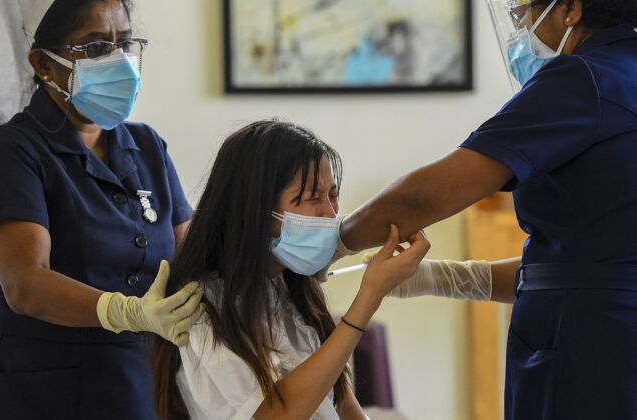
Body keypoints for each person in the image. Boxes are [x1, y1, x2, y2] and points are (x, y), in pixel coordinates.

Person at [336, 0, 637, 419]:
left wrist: (334, 241)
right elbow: (590, 262)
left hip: (592, 351)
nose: (523, 30)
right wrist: (448, 278)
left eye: (526, 13)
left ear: (570, 9)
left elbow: (423, 197)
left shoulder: (582, 79)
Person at [0, 1, 203, 419]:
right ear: (43, 63)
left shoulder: (146, 147)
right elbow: (25, 284)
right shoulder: (11, 151)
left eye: (124, 44)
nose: (117, 60)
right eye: (94, 48)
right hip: (39, 386)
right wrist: (123, 311)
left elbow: (196, 255)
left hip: (136, 377)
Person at [152, 120, 430, 420]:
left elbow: (342, 403)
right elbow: (276, 414)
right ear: (254, 207)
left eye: (333, 195)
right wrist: (369, 296)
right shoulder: (203, 307)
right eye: (311, 198)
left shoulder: (292, 288)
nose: (329, 213)